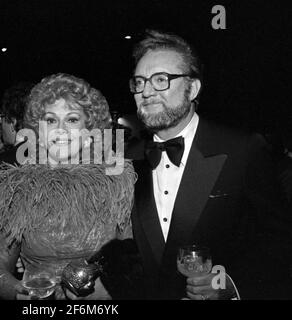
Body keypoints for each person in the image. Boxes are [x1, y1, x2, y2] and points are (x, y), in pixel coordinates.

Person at [124, 29, 290, 300]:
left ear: (193, 88)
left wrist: (231, 283)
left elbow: (280, 239)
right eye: (139, 82)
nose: (146, 91)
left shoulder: (242, 150)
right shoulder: (127, 160)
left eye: (161, 80)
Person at [0, 73, 137, 300]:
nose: (60, 130)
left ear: (89, 130)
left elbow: (132, 259)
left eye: (72, 120)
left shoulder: (115, 183)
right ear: (39, 132)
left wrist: (109, 291)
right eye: (51, 120)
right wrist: (19, 293)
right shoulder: (16, 190)